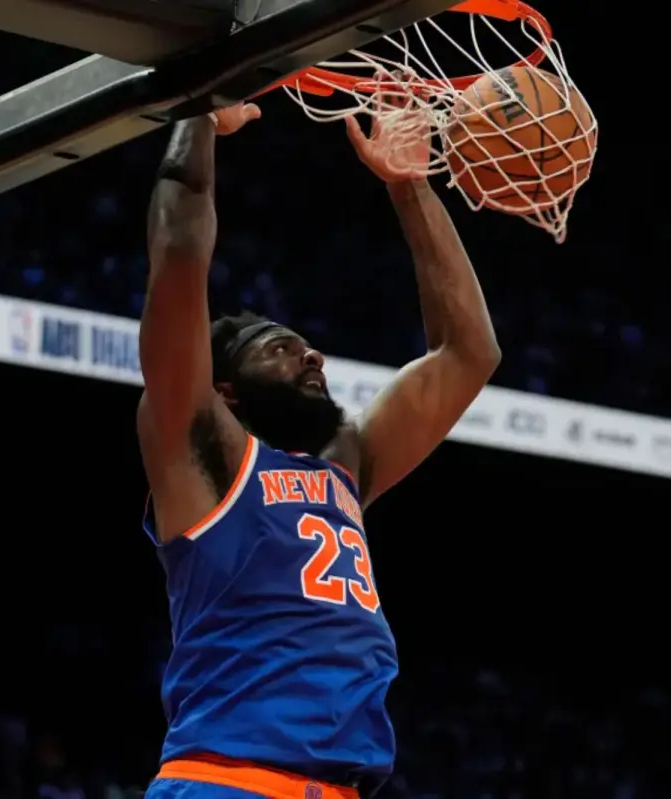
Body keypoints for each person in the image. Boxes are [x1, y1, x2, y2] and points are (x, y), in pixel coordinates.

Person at [138, 97, 501, 799]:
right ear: (226, 390)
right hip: (229, 781)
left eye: (306, 348)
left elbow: (468, 352)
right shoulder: (201, 447)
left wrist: (410, 188)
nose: (312, 357)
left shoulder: (346, 463)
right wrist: (199, 113)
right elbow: (178, 249)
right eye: (280, 349)